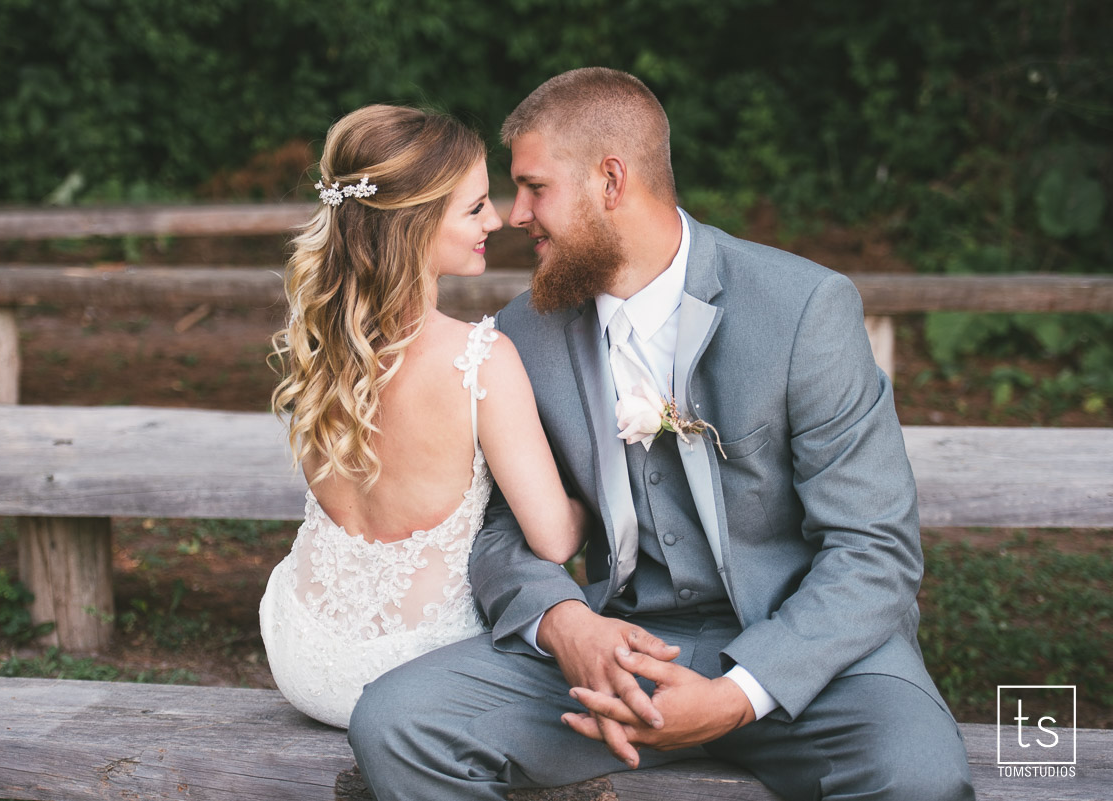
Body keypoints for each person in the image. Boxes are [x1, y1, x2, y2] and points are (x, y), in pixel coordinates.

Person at [348, 69, 976, 800]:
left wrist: (738, 693)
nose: (516, 214)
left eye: (535, 187)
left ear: (610, 180)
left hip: (812, 660)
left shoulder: (803, 308)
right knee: (399, 722)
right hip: (614, 657)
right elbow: (498, 531)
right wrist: (566, 623)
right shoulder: (524, 331)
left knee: (920, 775)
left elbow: (875, 549)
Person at [258, 104, 588, 729]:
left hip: (300, 651)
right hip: (415, 670)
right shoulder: (479, 359)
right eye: (474, 208)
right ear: (414, 224)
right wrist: (600, 486)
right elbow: (554, 539)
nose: (497, 219)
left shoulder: (321, 345)